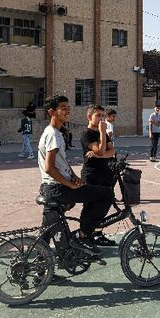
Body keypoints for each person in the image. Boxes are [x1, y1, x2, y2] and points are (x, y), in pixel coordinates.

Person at [38, 96, 113, 256]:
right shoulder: (53, 135)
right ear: (51, 112)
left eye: (68, 107)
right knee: (106, 195)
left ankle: (40, 270)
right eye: (63, 107)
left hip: (51, 187)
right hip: (57, 188)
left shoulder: (54, 132)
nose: (67, 110)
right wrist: (70, 184)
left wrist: (73, 176)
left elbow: (62, 163)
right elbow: (49, 168)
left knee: (47, 229)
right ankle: (83, 235)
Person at [81, 104, 118, 247]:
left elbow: (111, 151)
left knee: (102, 206)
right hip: (91, 174)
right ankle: (85, 236)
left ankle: (98, 234)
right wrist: (103, 133)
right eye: (98, 116)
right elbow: (102, 151)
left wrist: (98, 155)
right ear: (89, 117)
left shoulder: (101, 133)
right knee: (90, 206)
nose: (101, 119)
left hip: (105, 173)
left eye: (103, 116)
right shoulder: (87, 134)